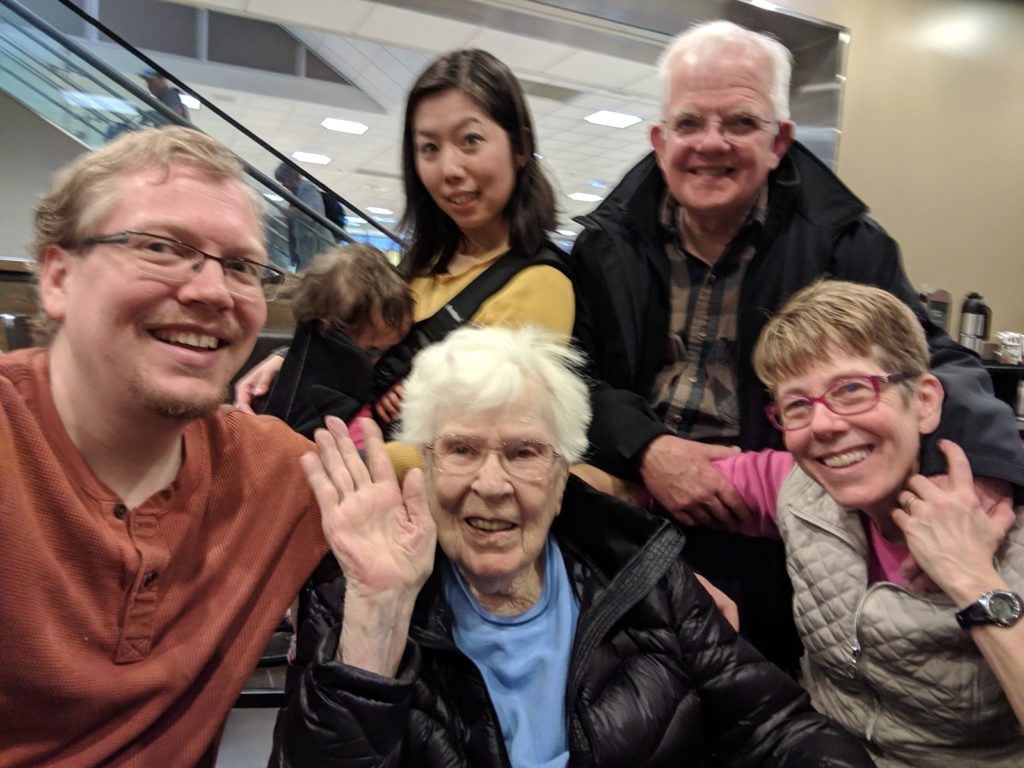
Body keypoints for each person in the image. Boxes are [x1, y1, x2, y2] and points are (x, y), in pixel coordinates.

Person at [570, 19, 1024, 669]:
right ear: (659, 138)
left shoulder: (845, 244)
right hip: (635, 516)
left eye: (741, 122)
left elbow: (934, 359)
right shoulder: (603, 244)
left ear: (780, 140)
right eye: (690, 122)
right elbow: (567, 375)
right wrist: (647, 447)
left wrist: (984, 464)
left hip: (778, 539)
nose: (711, 144)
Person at [269, 325, 877, 768]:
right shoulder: (357, 595)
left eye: (524, 452)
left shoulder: (640, 573)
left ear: (564, 476)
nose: (491, 484)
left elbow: (774, 725)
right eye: (460, 450)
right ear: (423, 464)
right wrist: (378, 617)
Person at [0, 126, 335, 766]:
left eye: (240, 266)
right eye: (159, 247)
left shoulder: (278, 473)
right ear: (58, 277)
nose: (211, 291)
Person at [708, 280, 1024, 767]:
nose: (824, 424)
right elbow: (642, 485)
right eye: (797, 405)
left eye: (852, 389)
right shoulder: (798, 487)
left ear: (924, 402)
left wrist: (970, 576)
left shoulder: (1014, 529)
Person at [237, 50, 574, 454]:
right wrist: (293, 362)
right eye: (429, 148)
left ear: (521, 148)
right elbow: (361, 347)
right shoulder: (419, 267)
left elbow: (483, 450)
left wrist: (328, 462)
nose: (448, 168)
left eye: (470, 140)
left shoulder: (540, 285)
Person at [255, 243, 413, 446]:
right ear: (335, 339)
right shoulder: (346, 414)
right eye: (373, 351)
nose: (382, 364)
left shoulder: (288, 369)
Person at [274, 162, 335, 271]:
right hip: (309, 244)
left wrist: (291, 212)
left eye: (284, 181)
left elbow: (311, 214)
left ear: (292, 178)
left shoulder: (307, 189)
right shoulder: (297, 194)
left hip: (317, 242)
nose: (283, 185)